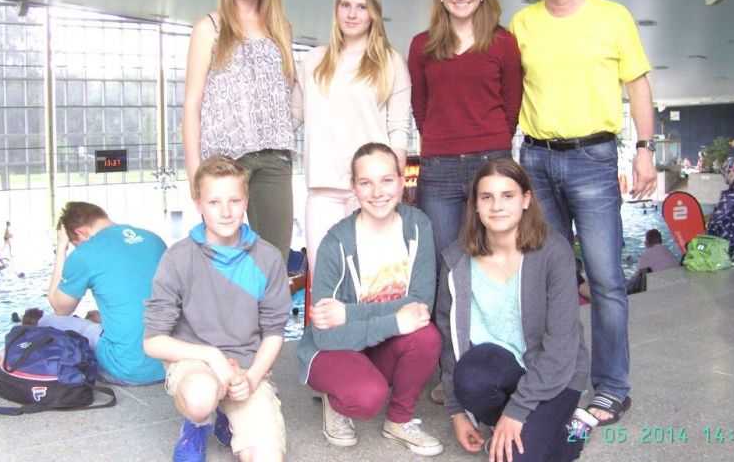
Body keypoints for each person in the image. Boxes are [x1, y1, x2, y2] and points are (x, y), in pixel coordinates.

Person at [509, 0, 657, 424]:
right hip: (536, 160)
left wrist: (644, 149)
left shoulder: (613, 17)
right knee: (549, 278)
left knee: (605, 278)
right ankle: (558, 378)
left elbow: (638, 87)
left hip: (593, 159)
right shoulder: (522, 24)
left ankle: (612, 387)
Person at [436, 158, 589, 462]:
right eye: (486, 197)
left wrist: (517, 411)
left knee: (516, 458)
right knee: (471, 376)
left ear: (526, 200)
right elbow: (449, 341)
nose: (497, 206)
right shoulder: (456, 260)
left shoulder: (554, 252)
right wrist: (457, 412)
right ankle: (521, 426)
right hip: (501, 369)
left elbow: (560, 349)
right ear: (475, 205)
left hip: (555, 375)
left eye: (508, 195)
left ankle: (577, 429)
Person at [296, 143, 443, 457]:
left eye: (387, 180)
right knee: (366, 398)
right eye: (366, 182)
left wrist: (348, 314)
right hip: (336, 348)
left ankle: (399, 420)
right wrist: (395, 320)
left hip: (376, 339)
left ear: (401, 181)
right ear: (354, 187)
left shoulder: (418, 226)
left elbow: (419, 309)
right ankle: (334, 396)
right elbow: (326, 334)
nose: (378, 192)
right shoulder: (336, 242)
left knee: (426, 337)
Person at [144, 155, 290, 462]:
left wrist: (252, 378)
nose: (226, 212)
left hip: (245, 369)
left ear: (246, 200)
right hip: (195, 363)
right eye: (214, 202)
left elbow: (274, 332)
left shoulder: (268, 258)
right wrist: (212, 356)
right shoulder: (178, 258)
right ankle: (198, 421)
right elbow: (153, 342)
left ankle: (227, 413)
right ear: (198, 204)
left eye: (234, 201)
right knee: (201, 396)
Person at [183, 0, 295, 262]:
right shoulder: (209, 28)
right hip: (225, 161)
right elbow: (191, 106)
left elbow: (286, 95)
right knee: (222, 258)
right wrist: (195, 175)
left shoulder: (281, 30)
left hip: (275, 159)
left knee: (274, 261)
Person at [408, 0, 522, 261]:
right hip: (438, 169)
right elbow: (420, 107)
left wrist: (490, 140)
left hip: (492, 163)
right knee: (445, 262)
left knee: (496, 259)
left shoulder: (504, 43)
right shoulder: (422, 46)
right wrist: (442, 140)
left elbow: (511, 106)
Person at [293, 0, 410, 271]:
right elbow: (291, 117)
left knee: (372, 279)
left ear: (374, 14)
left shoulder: (391, 62)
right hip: (323, 190)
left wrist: (393, 188)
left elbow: (399, 130)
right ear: (336, 10)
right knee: (326, 278)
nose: (352, 13)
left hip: (372, 190)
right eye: (345, 5)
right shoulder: (313, 61)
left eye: (362, 6)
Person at [42, 201, 166, 385]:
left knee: (46, 321)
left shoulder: (85, 252)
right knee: (97, 316)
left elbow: (60, 308)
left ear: (81, 232)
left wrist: (61, 248)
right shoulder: (154, 239)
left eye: (75, 244)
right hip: (169, 362)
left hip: (128, 368)